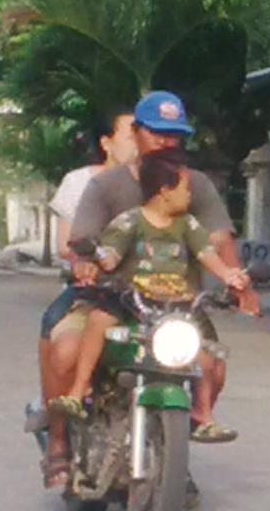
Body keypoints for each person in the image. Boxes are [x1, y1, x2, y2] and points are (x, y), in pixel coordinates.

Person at [49, 148, 253, 424]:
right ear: (164, 191)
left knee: (206, 359)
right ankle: (78, 389)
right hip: (132, 301)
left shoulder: (188, 225)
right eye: (185, 189)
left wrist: (230, 276)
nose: (190, 195)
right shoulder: (130, 221)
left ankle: (203, 414)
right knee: (98, 321)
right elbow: (111, 257)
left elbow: (207, 255)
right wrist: (95, 258)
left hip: (177, 305)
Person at [33, 111, 137, 488]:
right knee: (59, 343)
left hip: (150, 296)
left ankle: (170, 448)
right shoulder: (81, 182)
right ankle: (58, 441)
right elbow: (66, 244)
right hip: (92, 292)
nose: (138, 140)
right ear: (106, 142)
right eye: (130, 133)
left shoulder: (160, 182)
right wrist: (84, 262)